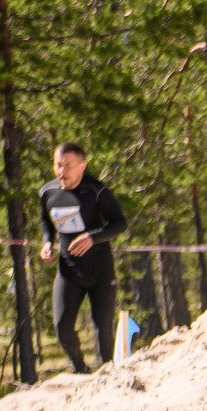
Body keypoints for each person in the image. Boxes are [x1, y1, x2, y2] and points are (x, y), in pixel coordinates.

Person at [37, 143, 129, 373]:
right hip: (68, 270)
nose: (62, 171)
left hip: (100, 270)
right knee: (62, 326)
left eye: (68, 165)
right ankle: (80, 368)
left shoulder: (96, 190)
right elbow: (46, 222)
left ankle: (107, 374)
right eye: (58, 165)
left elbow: (120, 223)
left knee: (103, 328)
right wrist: (47, 242)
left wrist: (93, 237)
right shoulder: (47, 192)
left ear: (82, 166)